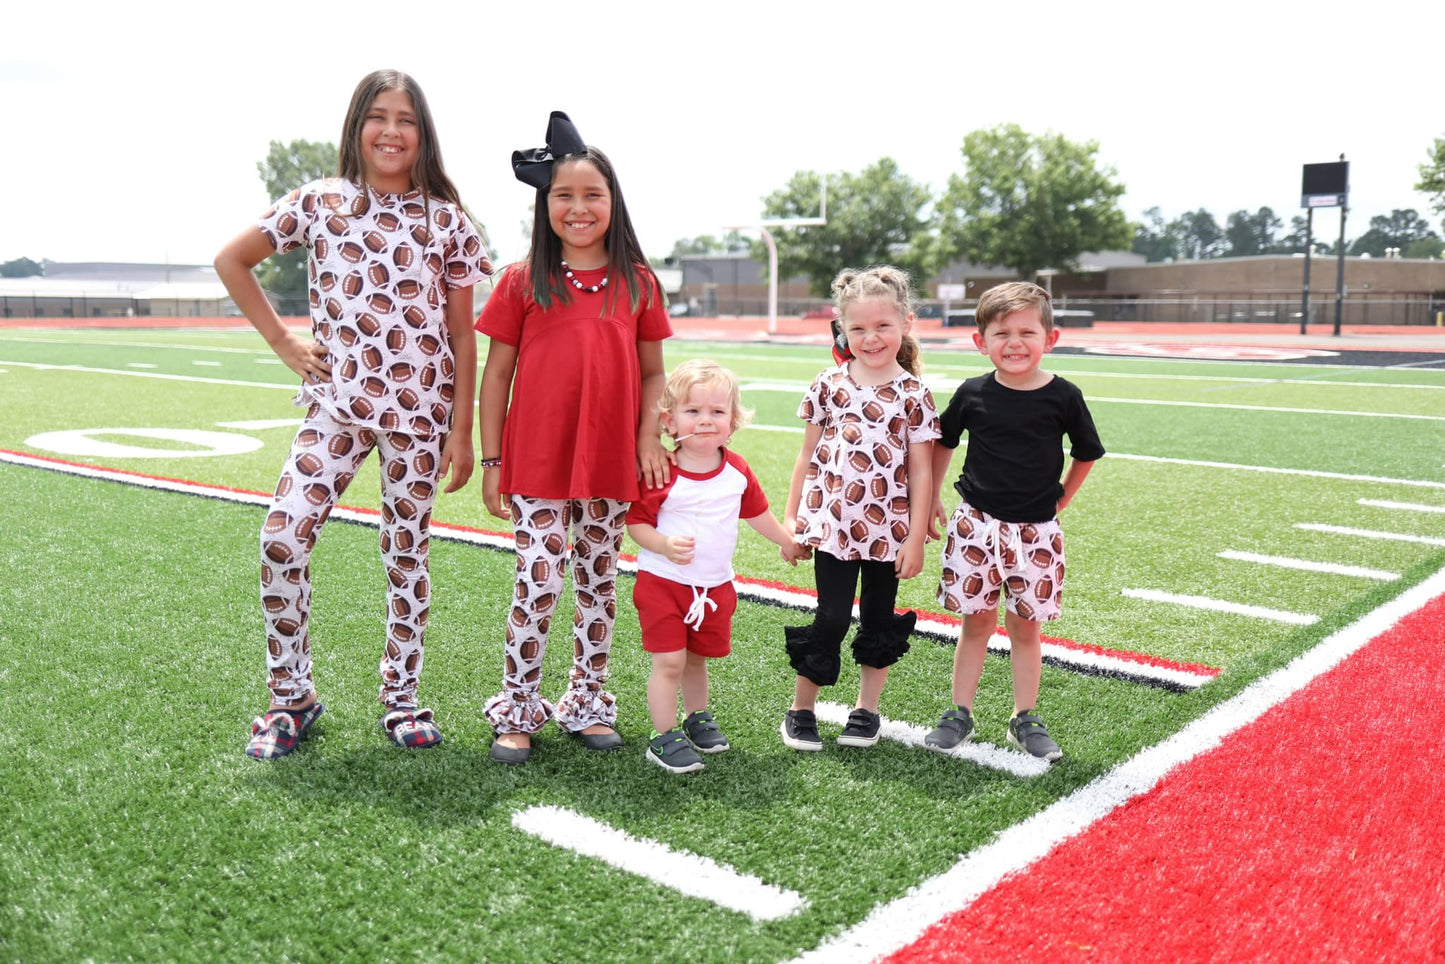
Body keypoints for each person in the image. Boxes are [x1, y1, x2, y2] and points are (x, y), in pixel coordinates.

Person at [214, 69, 492, 759]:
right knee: (281, 536)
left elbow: (462, 336)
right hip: (334, 409)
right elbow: (231, 260)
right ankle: (291, 698)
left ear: (422, 134)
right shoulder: (319, 202)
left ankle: (400, 698)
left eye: (405, 119)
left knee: (406, 553)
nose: (391, 131)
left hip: (422, 414)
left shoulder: (445, 220)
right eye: (377, 116)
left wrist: (462, 431)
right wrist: (284, 340)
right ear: (356, 127)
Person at [477, 111, 672, 765]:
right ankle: (518, 708)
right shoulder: (521, 279)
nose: (578, 207)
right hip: (534, 461)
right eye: (564, 194)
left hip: (609, 461)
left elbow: (652, 374)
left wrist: (647, 440)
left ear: (613, 203)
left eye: (592, 194)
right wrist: (491, 459)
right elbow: (495, 374)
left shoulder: (638, 284)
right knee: (538, 581)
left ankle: (585, 703)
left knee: (596, 583)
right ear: (545, 202)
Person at [925, 281, 1104, 762]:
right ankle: (959, 711)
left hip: (1037, 533)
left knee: (1026, 628)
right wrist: (933, 498)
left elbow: (1087, 452)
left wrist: (1062, 499)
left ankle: (1025, 717)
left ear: (1051, 337)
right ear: (980, 341)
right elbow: (943, 442)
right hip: (975, 526)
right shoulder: (972, 393)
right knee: (976, 623)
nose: (1015, 343)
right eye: (1002, 333)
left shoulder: (1064, 396)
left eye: (1027, 331)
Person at [781, 266, 940, 751]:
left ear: (906, 323)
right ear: (842, 330)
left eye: (882, 327)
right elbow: (806, 458)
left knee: (877, 618)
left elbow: (921, 472)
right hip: (832, 528)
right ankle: (800, 709)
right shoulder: (828, 384)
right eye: (858, 329)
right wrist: (792, 520)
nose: (871, 338)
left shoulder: (914, 394)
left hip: (889, 532)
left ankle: (866, 710)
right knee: (829, 617)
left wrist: (915, 538)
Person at [627, 361, 807, 774]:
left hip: (713, 587)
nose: (706, 421)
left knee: (696, 659)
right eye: (693, 412)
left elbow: (758, 514)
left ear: (733, 421)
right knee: (669, 662)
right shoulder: (662, 470)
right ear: (670, 422)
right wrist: (663, 545)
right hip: (664, 582)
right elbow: (635, 522)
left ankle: (697, 716)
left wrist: (787, 542)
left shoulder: (737, 471)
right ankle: (662, 734)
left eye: (717, 412)